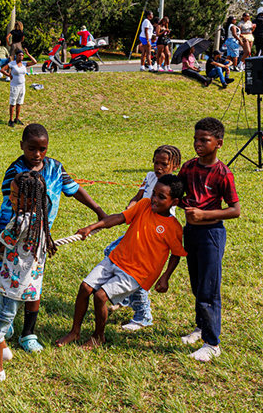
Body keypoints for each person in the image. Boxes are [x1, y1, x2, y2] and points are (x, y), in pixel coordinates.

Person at [0, 124, 107, 353]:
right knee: (7, 284)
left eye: (42, 149)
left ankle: (28, 333)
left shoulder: (55, 168)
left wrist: (99, 211)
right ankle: (4, 323)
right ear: (22, 146)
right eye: (31, 148)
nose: (37, 154)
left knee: (33, 286)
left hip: (38, 241)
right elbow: (11, 205)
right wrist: (2, 241)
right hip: (14, 237)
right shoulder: (15, 171)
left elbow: (75, 189)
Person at [56, 174, 187, 349]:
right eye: (154, 193)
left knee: (100, 296)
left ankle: (98, 337)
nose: (154, 199)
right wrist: (91, 227)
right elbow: (119, 217)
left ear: (174, 202)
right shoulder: (144, 205)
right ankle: (75, 331)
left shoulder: (173, 227)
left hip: (137, 274)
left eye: (161, 197)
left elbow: (176, 254)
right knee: (85, 287)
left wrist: (165, 277)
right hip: (116, 259)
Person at [0, 171, 57, 386]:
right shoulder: (41, 217)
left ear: (30, 200)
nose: (10, 198)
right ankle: (4, 351)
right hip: (19, 285)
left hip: (11, 288)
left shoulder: (21, 221)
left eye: (15, 195)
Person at [177, 118, 241, 362]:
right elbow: (179, 194)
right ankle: (201, 327)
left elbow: (235, 210)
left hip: (211, 234)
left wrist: (204, 215)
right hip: (191, 233)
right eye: (196, 139)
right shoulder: (188, 167)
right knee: (197, 284)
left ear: (219, 143)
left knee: (209, 289)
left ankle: (212, 344)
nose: (198, 144)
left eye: (204, 140)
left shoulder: (223, 173)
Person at [104, 145, 182, 331]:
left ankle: (143, 315)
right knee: (111, 252)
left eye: (164, 164)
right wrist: (131, 207)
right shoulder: (150, 177)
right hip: (139, 227)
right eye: (156, 162)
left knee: (135, 272)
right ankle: (124, 298)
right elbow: (138, 196)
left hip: (154, 236)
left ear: (175, 166)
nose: (159, 167)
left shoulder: (173, 185)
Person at [1, 48, 37, 127]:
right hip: (14, 86)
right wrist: (9, 75)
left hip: (22, 86)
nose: (20, 57)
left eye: (22, 55)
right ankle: (11, 120)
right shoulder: (12, 63)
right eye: (19, 55)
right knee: (13, 103)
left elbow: (35, 62)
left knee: (19, 103)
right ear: (16, 56)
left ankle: (16, 119)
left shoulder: (24, 63)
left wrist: (28, 54)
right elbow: (2, 70)